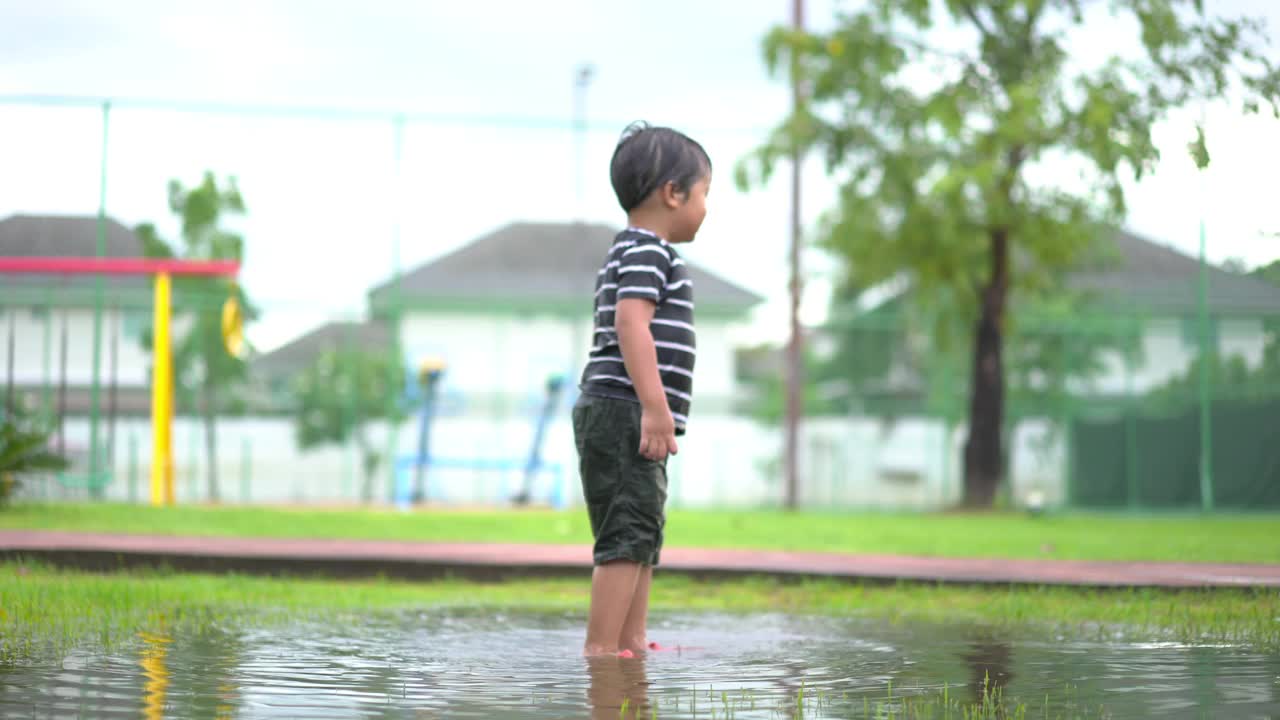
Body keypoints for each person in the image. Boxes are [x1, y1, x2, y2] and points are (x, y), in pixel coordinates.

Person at [573, 121, 711, 657]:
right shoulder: (651, 251)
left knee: (642, 530)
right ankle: (603, 649)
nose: (705, 207)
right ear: (672, 194)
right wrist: (655, 407)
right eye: (703, 194)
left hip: (621, 408)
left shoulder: (630, 249)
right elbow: (632, 324)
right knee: (628, 532)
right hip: (628, 408)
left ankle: (628, 639)